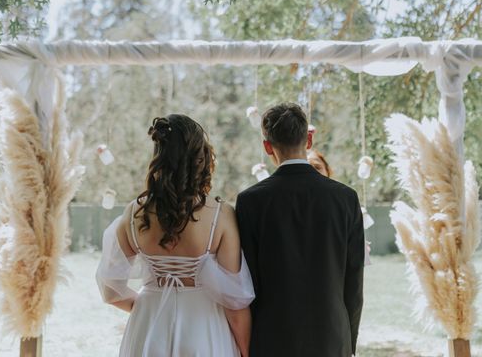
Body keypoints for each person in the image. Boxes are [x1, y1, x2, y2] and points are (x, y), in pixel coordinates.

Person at [96, 115, 255, 357]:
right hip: (204, 326)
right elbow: (234, 302)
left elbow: (111, 291)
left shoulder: (133, 214)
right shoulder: (220, 215)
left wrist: (148, 307)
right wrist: (247, 352)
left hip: (148, 328)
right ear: (201, 159)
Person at [236, 103, 365, 357]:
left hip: (272, 338)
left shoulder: (250, 201)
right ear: (308, 139)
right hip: (332, 336)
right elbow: (354, 282)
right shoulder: (346, 198)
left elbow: (247, 284)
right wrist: (348, 341)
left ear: (267, 146)